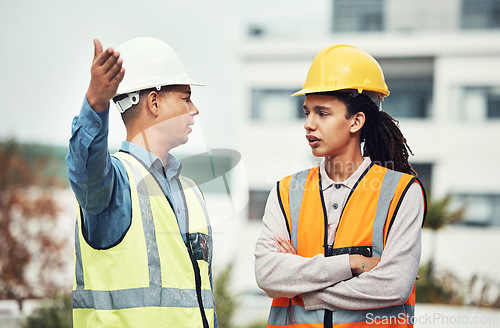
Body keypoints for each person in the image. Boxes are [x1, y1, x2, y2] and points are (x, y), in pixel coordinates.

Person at [255, 44, 427, 327]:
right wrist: (354, 264)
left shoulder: (402, 193)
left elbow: (394, 285)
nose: (308, 124)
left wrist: (301, 286)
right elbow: (268, 275)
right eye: (307, 112)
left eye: (322, 113)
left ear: (356, 121)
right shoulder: (287, 192)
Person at [67, 37, 217, 328]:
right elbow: (84, 169)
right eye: (186, 98)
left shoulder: (191, 193)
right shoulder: (115, 187)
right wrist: (95, 105)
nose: (194, 109)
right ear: (154, 102)